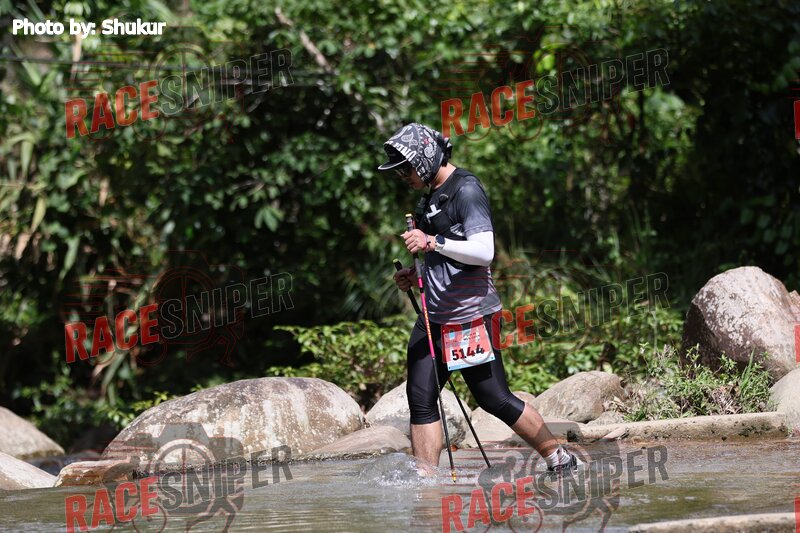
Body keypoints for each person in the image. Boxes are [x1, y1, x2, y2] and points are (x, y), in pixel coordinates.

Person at [377, 122, 580, 475]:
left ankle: (559, 459)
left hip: (470, 317)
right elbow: (445, 256)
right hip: (433, 316)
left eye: (405, 169)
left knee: (494, 398)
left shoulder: (466, 189)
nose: (403, 177)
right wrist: (415, 273)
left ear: (424, 159)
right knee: (420, 399)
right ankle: (426, 484)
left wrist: (431, 242)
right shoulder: (429, 197)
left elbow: (484, 251)